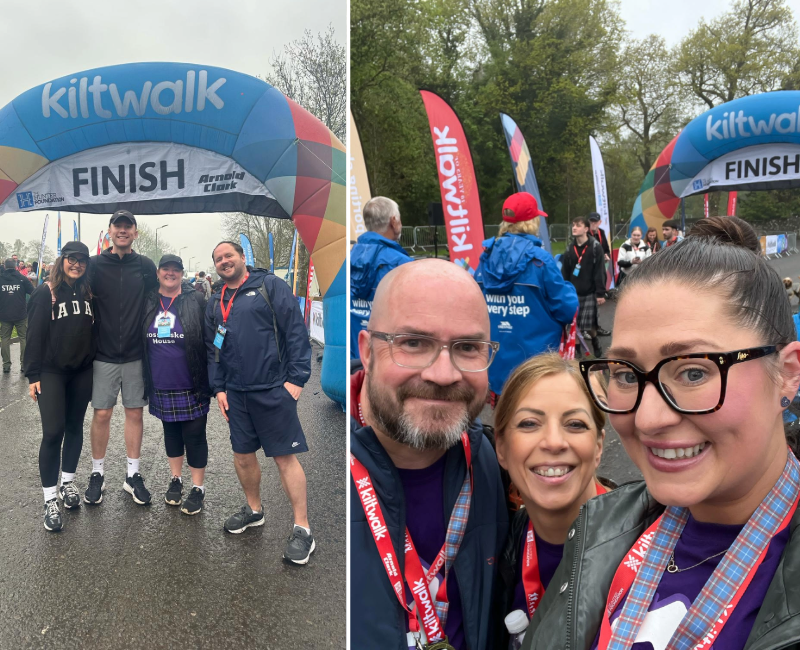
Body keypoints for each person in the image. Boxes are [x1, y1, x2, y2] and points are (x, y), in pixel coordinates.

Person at [523, 216, 800, 650]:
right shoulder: (600, 529)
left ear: (786, 374)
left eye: (693, 372)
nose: (648, 419)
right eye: (626, 374)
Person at [350, 259, 509, 650]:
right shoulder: (333, 483)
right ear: (367, 351)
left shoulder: (494, 461)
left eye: (468, 348)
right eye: (414, 343)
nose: (443, 374)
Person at [205, 241, 315, 563]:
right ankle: (254, 510)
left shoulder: (270, 286)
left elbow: (295, 331)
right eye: (218, 258)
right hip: (236, 393)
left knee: (284, 458)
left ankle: (303, 529)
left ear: (242, 257)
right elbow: (213, 349)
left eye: (229, 255)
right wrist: (219, 388)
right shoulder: (216, 301)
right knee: (242, 456)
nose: (224, 261)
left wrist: (297, 379)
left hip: (272, 389)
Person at [493, 353, 611, 649]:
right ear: (501, 448)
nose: (554, 442)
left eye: (575, 424)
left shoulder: (647, 546)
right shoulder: (499, 546)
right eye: (529, 423)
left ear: (598, 446)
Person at [84, 210, 158, 506]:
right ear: (110, 231)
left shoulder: (145, 265)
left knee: (134, 413)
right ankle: (97, 473)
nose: (123, 230)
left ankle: (132, 475)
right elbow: (74, 289)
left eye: (128, 226)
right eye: (118, 226)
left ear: (135, 233)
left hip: (136, 353)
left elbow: (159, 298)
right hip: (103, 354)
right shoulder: (94, 264)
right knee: (101, 414)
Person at [474, 192, 578, 401]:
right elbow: (567, 309)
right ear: (532, 221)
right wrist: (568, 287)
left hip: (496, 366)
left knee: (504, 416)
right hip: (535, 367)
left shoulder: (486, 257)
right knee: (533, 415)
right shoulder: (541, 260)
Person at [23, 242, 95, 532]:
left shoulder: (89, 292)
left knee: (75, 427)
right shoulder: (46, 292)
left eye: (82, 260)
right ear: (62, 260)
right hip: (51, 371)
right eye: (71, 259)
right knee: (53, 432)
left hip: (82, 372)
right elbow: (34, 334)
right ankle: (50, 498)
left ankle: (67, 483)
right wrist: (32, 375)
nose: (76, 264)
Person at [142, 255, 211, 515]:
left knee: (194, 436)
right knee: (171, 433)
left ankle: (198, 487)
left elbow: (210, 337)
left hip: (191, 380)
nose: (170, 273)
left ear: (182, 274)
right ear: (158, 272)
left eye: (176, 270)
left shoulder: (196, 299)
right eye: (166, 269)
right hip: (160, 380)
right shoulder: (148, 300)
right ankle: (176, 479)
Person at [350, 196, 413, 360]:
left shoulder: (348, 259)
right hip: (390, 359)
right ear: (393, 221)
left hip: (354, 358)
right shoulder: (403, 265)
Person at [560, 217, 607, 358]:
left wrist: (600, 293)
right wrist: (563, 291)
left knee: (590, 325)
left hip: (589, 291)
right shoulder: (570, 248)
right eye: (573, 225)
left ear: (586, 229)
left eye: (578, 225)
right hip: (573, 293)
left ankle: (594, 340)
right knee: (575, 325)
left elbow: (600, 271)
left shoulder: (595, 247)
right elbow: (565, 271)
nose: (574, 228)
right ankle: (577, 351)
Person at [0, 257, 34, 374]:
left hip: (4, 314)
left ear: (5, 266)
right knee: (23, 338)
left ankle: (6, 365)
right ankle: (24, 364)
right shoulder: (22, 279)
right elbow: (33, 292)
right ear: (16, 266)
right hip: (21, 314)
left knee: (5, 339)